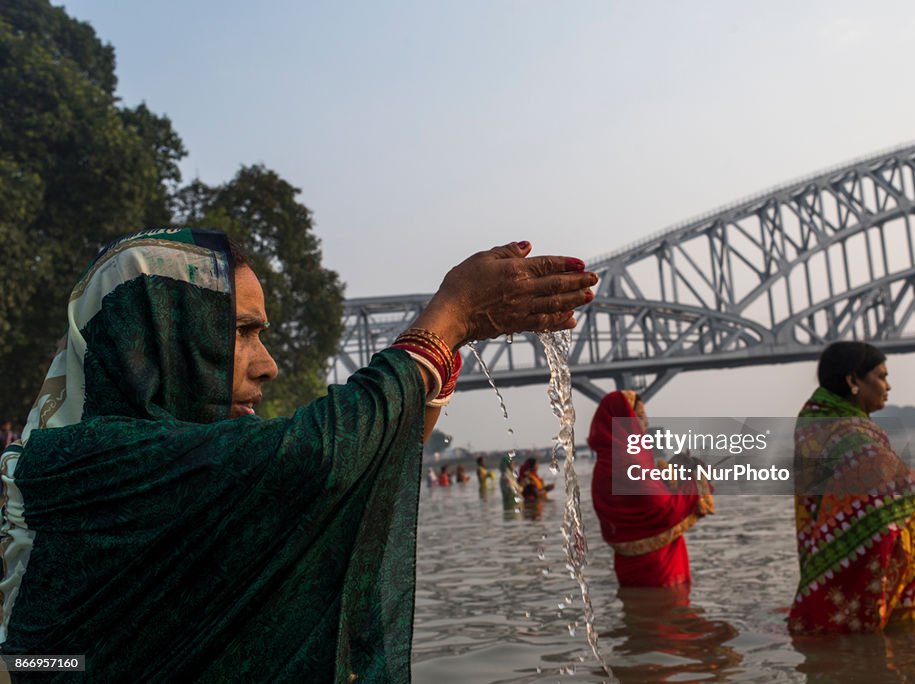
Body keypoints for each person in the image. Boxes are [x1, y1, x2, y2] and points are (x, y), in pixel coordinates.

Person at [0, 228, 597, 681]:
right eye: (240, 333)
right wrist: (452, 317)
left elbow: (344, 476)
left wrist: (440, 356)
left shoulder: (124, 472)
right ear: (155, 340)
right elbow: (317, 461)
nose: (268, 365)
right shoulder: (80, 466)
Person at [788, 341, 915, 634]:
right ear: (853, 381)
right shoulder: (851, 439)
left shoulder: (822, 429)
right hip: (906, 604)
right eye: (881, 376)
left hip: (843, 577)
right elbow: (879, 517)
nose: (888, 386)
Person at [587, 391, 713, 587]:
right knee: (670, 612)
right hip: (657, 564)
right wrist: (698, 482)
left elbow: (636, 503)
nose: (645, 422)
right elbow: (662, 509)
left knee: (641, 613)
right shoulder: (628, 462)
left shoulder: (605, 464)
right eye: (639, 416)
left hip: (628, 564)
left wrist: (672, 480)